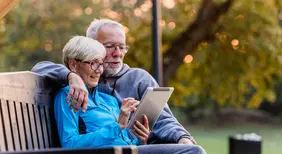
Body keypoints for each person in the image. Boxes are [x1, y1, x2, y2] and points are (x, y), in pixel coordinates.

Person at [32, 18, 196, 144]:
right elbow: (40, 67)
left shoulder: (137, 79)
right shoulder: (75, 81)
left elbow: (163, 119)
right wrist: (71, 77)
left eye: (122, 47)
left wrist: (180, 137)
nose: (117, 53)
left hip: (138, 146)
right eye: (110, 46)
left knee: (191, 149)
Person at [55, 35, 205, 154]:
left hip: (128, 150)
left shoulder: (109, 100)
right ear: (73, 65)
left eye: (101, 64)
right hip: (112, 153)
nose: (99, 70)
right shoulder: (68, 96)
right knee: (192, 151)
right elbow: (70, 144)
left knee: (190, 149)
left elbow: (122, 138)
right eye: (94, 63)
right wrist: (117, 125)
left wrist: (140, 138)